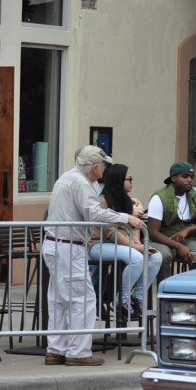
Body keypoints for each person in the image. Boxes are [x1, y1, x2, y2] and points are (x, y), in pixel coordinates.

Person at [43, 145, 144, 366]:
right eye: (103, 164)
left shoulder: (67, 178)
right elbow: (94, 212)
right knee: (83, 299)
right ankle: (78, 352)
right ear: (95, 167)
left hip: (56, 244)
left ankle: (56, 350)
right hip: (68, 246)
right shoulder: (81, 183)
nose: (105, 168)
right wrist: (126, 218)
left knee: (60, 299)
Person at [88, 163, 162, 320]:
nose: (132, 182)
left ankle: (138, 297)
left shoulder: (127, 200)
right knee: (137, 258)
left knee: (156, 257)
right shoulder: (103, 201)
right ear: (119, 180)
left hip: (123, 244)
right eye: (130, 179)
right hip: (99, 245)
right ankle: (121, 299)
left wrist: (136, 241)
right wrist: (135, 247)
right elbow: (110, 232)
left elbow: (135, 225)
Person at [147, 161, 196, 277]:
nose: (189, 180)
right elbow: (153, 233)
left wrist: (187, 231)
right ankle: (165, 292)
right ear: (173, 178)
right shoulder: (159, 197)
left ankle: (193, 292)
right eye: (185, 176)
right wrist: (178, 246)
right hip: (162, 239)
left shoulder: (194, 193)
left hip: (185, 239)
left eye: (191, 177)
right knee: (163, 256)